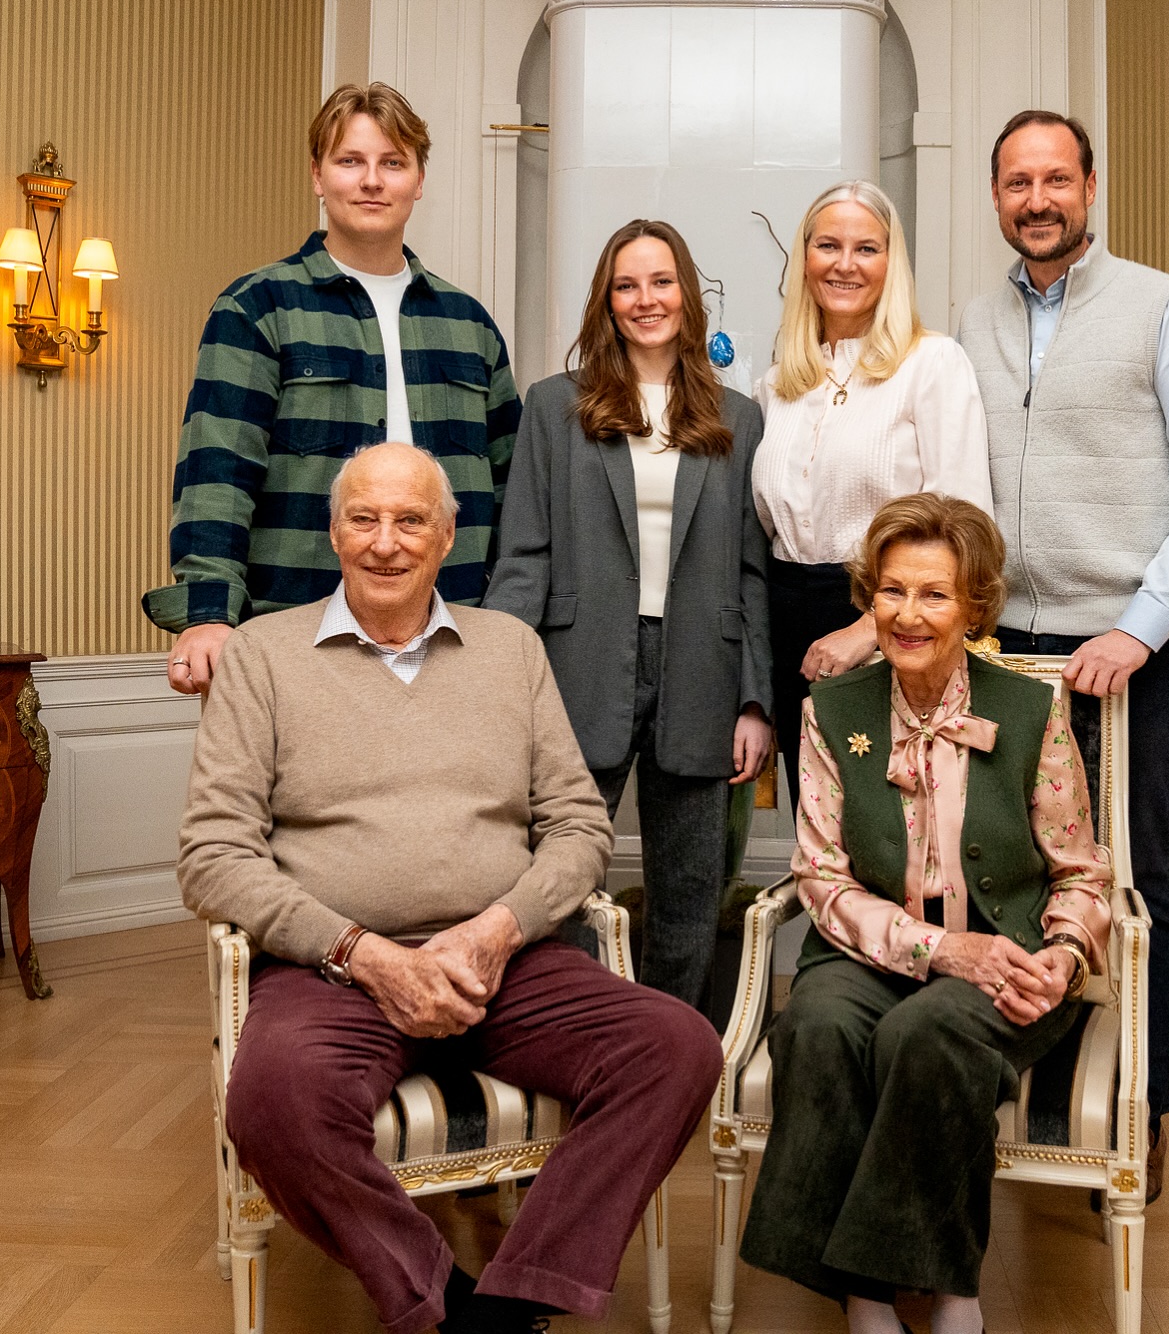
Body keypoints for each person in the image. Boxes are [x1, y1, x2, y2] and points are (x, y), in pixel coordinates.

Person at [178, 440, 722, 1334]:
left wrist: (496, 931)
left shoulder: (508, 650)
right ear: (332, 530)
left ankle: (518, 1300)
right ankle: (438, 1300)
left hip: (506, 963)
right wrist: (363, 954)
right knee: (270, 1101)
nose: (386, 542)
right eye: (364, 518)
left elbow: (580, 826)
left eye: (410, 520)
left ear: (447, 535)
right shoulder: (262, 658)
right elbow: (212, 857)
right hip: (334, 970)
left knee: (677, 1045)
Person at [956, 109, 1169, 1201]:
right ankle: (1029, 1102)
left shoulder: (1164, 308)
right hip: (1002, 652)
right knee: (1013, 880)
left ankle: (1140, 1109)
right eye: (1019, 182)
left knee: (1137, 877)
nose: (1039, 199)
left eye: (1057, 179)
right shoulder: (970, 325)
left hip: (1130, 651)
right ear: (996, 199)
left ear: (1090, 186)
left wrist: (1137, 628)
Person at [739, 492, 1111, 1334]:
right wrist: (939, 949)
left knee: (927, 1034)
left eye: (934, 594)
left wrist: (1063, 956)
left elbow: (1082, 869)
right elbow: (824, 880)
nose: (908, 615)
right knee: (816, 1030)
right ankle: (867, 1298)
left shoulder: (1028, 711)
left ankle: (951, 1294)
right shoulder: (832, 713)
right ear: (870, 597)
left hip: (1008, 960)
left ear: (975, 608)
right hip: (867, 953)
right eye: (892, 591)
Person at [143, 81, 520, 696]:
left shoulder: (469, 325)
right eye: (350, 161)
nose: (372, 180)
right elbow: (217, 471)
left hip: (451, 639)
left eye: (392, 163)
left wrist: (503, 622)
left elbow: (514, 493)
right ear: (318, 176)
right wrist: (209, 614)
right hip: (296, 631)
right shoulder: (257, 308)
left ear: (418, 180)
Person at [485, 219, 772, 1008]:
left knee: (691, 889)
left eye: (660, 281)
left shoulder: (738, 418)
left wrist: (755, 700)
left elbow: (751, 572)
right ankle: (576, 1037)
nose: (646, 299)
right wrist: (500, 677)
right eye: (627, 285)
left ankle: (671, 1053)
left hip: (702, 674)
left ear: (687, 293)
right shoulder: (554, 407)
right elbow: (524, 554)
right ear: (607, 303)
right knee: (559, 879)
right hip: (578, 664)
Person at [751, 180, 993, 800]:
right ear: (805, 259)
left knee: (891, 827)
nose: (845, 264)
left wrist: (869, 630)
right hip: (788, 627)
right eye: (828, 245)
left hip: (892, 621)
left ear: (892, 264)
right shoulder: (775, 385)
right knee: (820, 826)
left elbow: (964, 525)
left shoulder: (932, 364)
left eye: (867, 248)